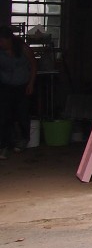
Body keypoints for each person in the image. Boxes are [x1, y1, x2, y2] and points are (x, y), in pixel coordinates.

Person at [0, 25, 37, 157]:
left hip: (22, 85)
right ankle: (4, 145)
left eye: (2, 40)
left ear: (9, 39)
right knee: (4, 115)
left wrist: (31, 83)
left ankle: (23, 139)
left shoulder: (22, 48)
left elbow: (33, 65)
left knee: (22, 113)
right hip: (5, 85)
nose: (1, 43)